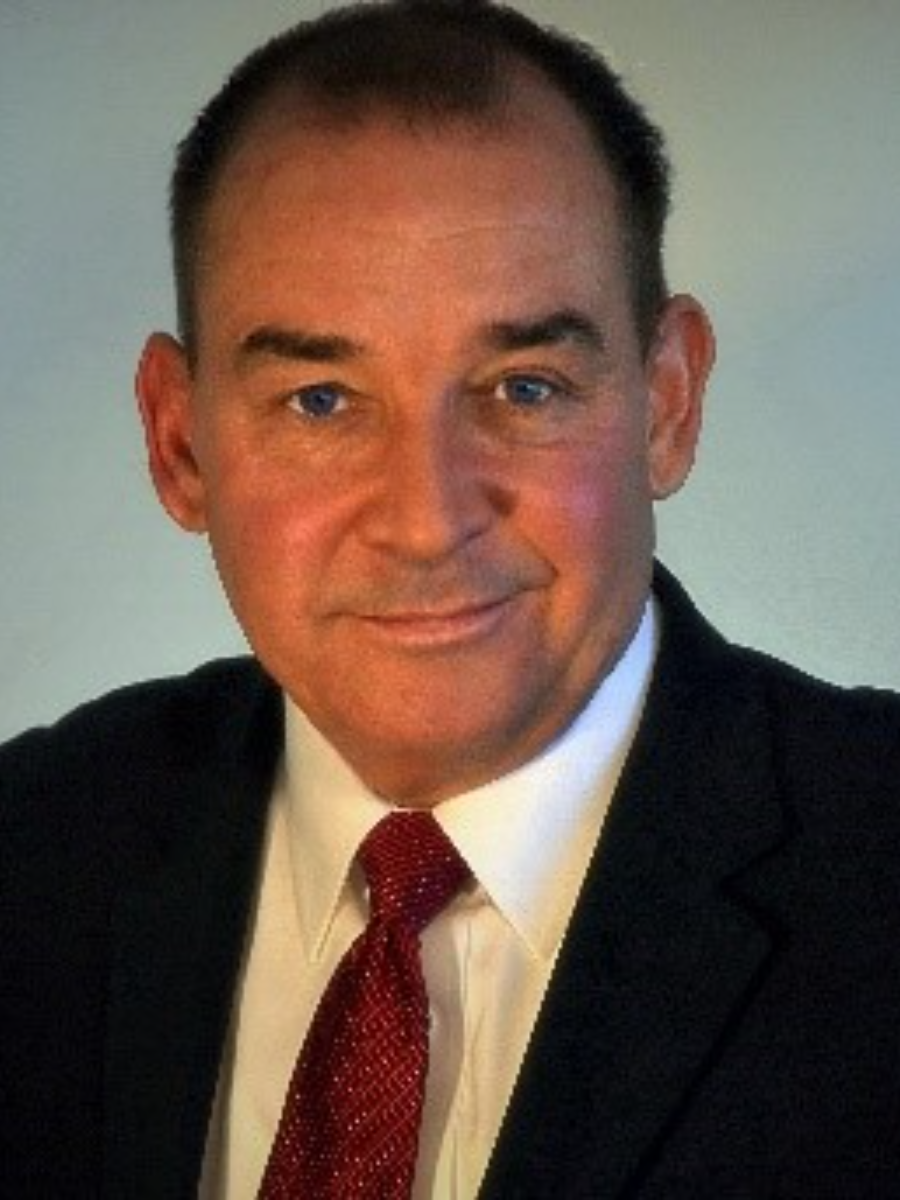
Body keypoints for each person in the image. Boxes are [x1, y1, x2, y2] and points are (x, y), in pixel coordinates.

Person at [2, 2, 900, 1197]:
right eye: (321, 401)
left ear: (668, 404)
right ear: (180, 444)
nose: (427, 521)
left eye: (524, 388)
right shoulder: (30, 854)